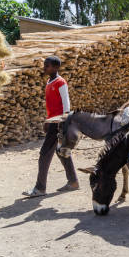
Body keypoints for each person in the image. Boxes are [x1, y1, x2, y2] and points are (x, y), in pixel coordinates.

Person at [23, 56, 78, 197]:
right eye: (44, 65)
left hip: (59, 123)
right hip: (53, 121)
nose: (44, 67)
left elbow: (66, 105)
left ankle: (40, 188)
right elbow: (52, 106)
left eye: (47, 66)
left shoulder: (61, 82)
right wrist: (47, 121)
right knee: (62, 151)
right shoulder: (49, 81)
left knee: (44, 154)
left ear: (55, 67)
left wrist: (62, 124)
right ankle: (73, 182)